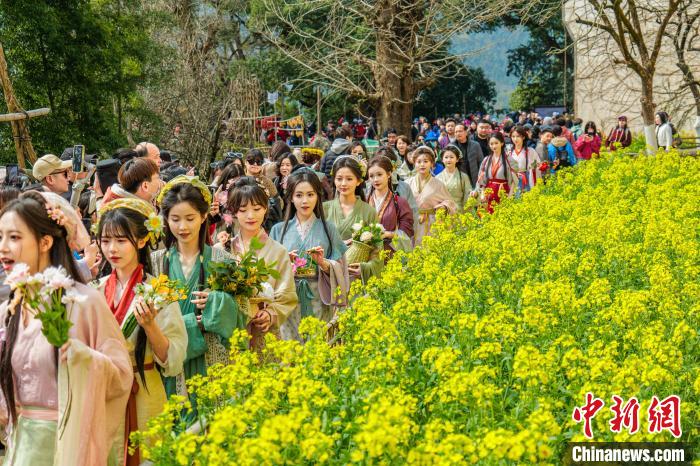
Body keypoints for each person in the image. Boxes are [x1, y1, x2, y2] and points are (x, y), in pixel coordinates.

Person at [0, 191, 132, 466]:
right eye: (0, 236)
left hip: (70, 443)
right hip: (22, 443)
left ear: (45, 241)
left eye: (14, 237)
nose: (3, 247)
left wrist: (85, 359)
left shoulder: (85, 301)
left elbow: (120, 375)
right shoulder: (10, 309)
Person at [95, 199, 187, 466]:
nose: (112, 249)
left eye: (122, 241)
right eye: (106, 240)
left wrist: (150, 326)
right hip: (107, 393)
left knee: (150, 454)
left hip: (145, 390)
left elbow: (172, 359)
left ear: (142, 241)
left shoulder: (158, 291)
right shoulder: (96, 290)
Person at [152, 176, 245, 400]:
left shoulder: (223, 260)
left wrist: (216, 302)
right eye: (175, 219)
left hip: (212, 359)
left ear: (204, 216)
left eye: (190, 218)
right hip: (169, 357)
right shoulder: (155, 262)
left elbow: (243, 313)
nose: (182, 227)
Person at [269, 170, 349, 340]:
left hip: (318, 297)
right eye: (299, 195)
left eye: (310, 194)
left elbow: (341, 266)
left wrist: (324, 263)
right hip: (288, 300)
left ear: (317, 197)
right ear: (290, 197)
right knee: (291, 351)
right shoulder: (278, 230)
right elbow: (269, 270)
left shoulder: (329, 229)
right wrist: (285, 264)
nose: (305, 201)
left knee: (318, 347)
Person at [227, 178, 297, 346]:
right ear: (234, 212)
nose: (251, 216)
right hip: (231, 330)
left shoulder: (278, 251)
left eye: (257, 209)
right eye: (243, 210)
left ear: (265, 209)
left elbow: (287, 295)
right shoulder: (224, 249)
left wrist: (270, 313)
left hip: (263, 330)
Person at [323, 157, 383, 284]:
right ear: (334, 180)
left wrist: (364, 268)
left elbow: (377, 251)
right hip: (329, 275)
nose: (343, 183)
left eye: (349, 179)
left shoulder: (369, 211)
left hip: (356, 277)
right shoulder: (324, 209)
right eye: (339, 179)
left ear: (358, 181)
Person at [406, 146, 456, 245]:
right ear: (414, 163)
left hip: (431, 224)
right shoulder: (407, 183)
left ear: (432, 164)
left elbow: (451, 203)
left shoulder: (439, 184)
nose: (422, 165)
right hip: (412, 222)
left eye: (426, 161)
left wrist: (444, 206)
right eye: (419, 162)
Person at [366, 156, 414, 258]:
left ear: (389, 174)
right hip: (367, 255)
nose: (375, 179)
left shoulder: (399, 202)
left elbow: (408, 231)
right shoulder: (364, 202)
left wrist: (389, 234)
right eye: (371, 176)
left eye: (379, 174)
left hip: (390, 254)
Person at [473, 132, 516, 214]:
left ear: (502, 143)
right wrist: (482, 194)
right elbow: (482, 180)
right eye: (491, 144)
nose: (494, 146)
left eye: (496, 143)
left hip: (503, 192)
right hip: (488, 194)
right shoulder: (486, 160)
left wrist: (510, 195)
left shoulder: (509, 159)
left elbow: (514, 179)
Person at [436, 145, 472, 213]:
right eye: (446, 157)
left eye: (451, 157)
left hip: (459, 212)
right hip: (443, 213)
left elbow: (467, 196)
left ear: (457, 159)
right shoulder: (437, 178)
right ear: (442, 159)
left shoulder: (463, 177)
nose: (449, 160)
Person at [508, 126, 541, 192]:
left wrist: (535, 168)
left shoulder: (530, 151)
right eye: (513, 136)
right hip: (512, 180)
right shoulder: (509, 151)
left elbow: (538, 165)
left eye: (518, 136)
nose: (515, 139)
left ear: (523, 137)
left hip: (526, 178)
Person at [454, 123, 484, 187]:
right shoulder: (451, 147)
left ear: (466, 132)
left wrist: (481, 177)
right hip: (459, 181)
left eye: (460, 131)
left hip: (475, 179)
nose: (458, 133)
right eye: (456, 132)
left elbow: (481, 162)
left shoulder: (475, 145)